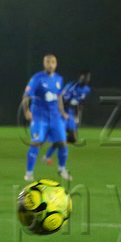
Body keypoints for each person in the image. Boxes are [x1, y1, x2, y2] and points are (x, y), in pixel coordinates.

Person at [22, 54, 71, 182]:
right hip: (39, 117)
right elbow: (26, 95)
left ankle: (62, 169)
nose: (50, 64)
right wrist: (26, 110)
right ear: (44, 64)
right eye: (48, 62)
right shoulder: (37, 78)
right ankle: (29, 173)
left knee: (62, 143)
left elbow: (59, 97)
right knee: (36, 143)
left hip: (55, 117)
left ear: (56, 64)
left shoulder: (59, 79)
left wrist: (62, 112)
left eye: (53, 62)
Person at [42, 71, 91, 165]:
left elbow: (80, 103)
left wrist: (77, 115)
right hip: (63, 114)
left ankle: (56, 140)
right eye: (83, 77)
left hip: (71, 115)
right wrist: (62, 113)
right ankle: (47, 156)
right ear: (79, 78)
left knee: (74, 138)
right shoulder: (70, 86)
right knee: (60, 138)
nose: (84, 80)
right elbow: (61, 99)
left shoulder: (86, 89)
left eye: (87, 78)